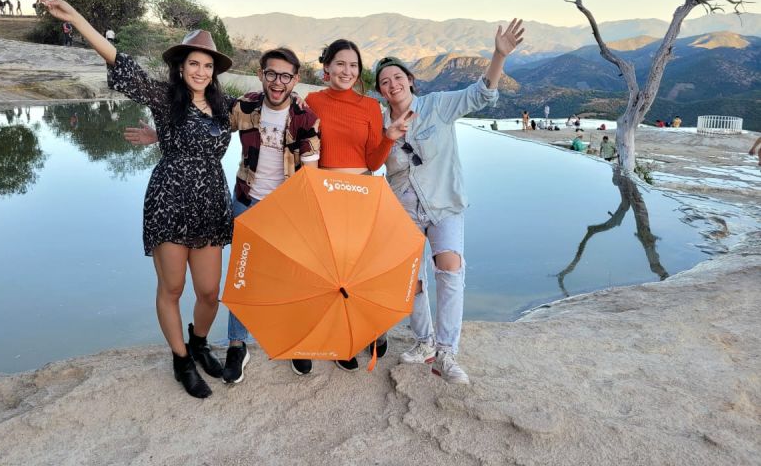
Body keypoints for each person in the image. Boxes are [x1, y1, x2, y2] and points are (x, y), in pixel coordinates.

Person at [36, 0, 232, 399]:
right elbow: (119, 62)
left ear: (215, 71)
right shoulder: (164, 99)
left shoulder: (224, 105)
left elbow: (274, 108)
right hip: (170, 198)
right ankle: (181, 360)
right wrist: (75, 17)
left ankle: (199, 342)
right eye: (193, 63)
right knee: (172, 288)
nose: (200, 71)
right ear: (181, 67)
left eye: (207, 65)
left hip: (211, 202)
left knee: (211, 291)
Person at [126, 47, 322, 383]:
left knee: (289, 276)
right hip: (244, 202)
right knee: (242, 276)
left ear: (296, 79)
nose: (278, 81)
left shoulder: (306, 117)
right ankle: (235, 345)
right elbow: (197, 125)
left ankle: (293, 341)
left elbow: (312, 172)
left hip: (285, 207)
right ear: (261, 74)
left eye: (285, 75)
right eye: (271, 73)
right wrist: (160, 135)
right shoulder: (243, 106)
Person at [375, 19, 525, 385]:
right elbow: (372, 161)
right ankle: (424, 341)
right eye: (384, 81)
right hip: (404, 211)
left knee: (450, 270)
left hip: (444, 205)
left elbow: (481, 94)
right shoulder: (378, 122)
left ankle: (446, 352)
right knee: (412, 280)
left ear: (410, 80)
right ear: (380, 91)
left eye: (398, 77)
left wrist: (498, 56)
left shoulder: (438, 106)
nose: (393, 84)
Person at [304, 39, 413, 372]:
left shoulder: (369, 107)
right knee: (336, 271)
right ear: (327, 68)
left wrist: (389, 138)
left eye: (353, 65)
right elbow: (302, 146)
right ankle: (342, 339)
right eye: (340, 64)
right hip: (327, 191)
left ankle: (372, 329)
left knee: (364, 270)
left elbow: (373, 160)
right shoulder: (312, 101)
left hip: (363, 191)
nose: (346, 71)